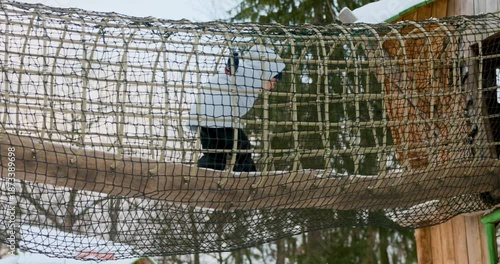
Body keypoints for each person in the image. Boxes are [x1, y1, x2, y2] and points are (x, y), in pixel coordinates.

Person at [188, 45, 285, 172]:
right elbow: (235, 70)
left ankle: (205, 173)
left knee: (215, 152)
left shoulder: (252, 79)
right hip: (220, 115)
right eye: (273, 81)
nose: (273, 85)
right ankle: (246, 175)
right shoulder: (252, 72)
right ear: (268, 73)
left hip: (203, 114)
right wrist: (233, 61)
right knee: (241, 147)